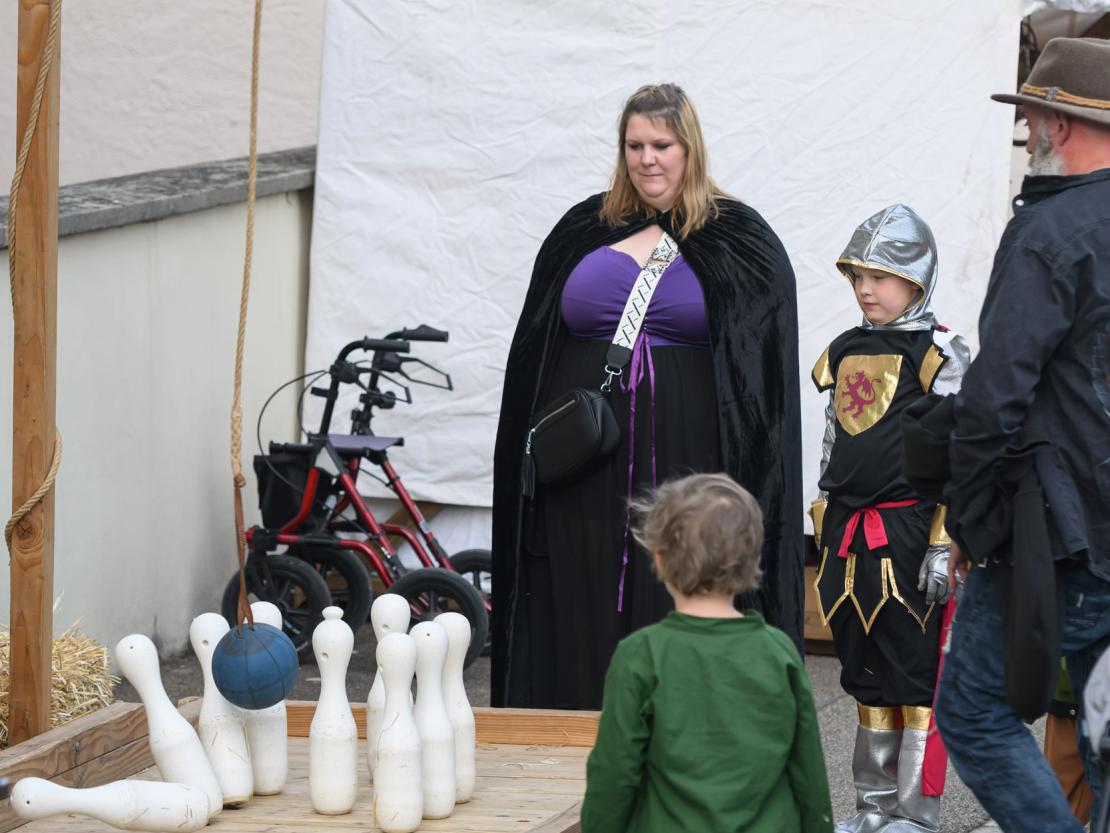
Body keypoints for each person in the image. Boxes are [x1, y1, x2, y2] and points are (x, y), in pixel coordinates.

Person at [490, 83, 804, 709]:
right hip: (584, 460)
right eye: (634, 145)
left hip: (690, 456)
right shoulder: (586, 227)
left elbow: (759, 377)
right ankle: (576, 734)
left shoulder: (738, 240)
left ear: (689, 147)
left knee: (678, 582)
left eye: (661, 144)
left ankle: (680, 737)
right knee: (580, 589)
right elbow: (536, 347)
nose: (647, 158)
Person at [932, 37, 1110, 833]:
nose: (1028, 129)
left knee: (972, 712)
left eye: (1034, 114)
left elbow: (994, 398)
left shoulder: (1048, 233)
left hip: (1059, 534)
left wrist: (970, 521)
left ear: (1061, 124)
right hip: (1083, 522)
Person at [810, 204, 968, 833]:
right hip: (849, 536)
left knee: (914, 673)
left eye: (880, 275)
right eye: (858, 276)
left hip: (908, 535)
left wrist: (944, 541)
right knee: (866, 673)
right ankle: (871, 810)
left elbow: (962, 454)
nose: (866, 288)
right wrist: (821, 520)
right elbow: (831, 443)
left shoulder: (939, 354)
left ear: (916, 279)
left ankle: (916, 814)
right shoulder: (845, 348)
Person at [579, 473, 833, 833]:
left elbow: (615, 772)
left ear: (660, 560)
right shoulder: (779, 653)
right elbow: (808, 771)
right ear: (753, 559)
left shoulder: (640, 655)